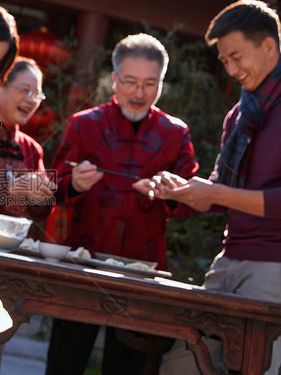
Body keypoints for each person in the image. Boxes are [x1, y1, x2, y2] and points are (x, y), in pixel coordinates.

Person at [135, 2, 281, 374]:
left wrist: (215, 193)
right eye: (225, 61)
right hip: (229, 259)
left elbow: (225, 195)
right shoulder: (240, 114)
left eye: (237, 57)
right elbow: (219, 195)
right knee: (182, 365)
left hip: (273, 267)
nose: (231, 70)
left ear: (268, 46)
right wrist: (182, 190)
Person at [45, 33, 199, 375]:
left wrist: (172, 193)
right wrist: (75, 184)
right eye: (130, 82)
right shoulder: (84, 124)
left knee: (130, 367)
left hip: (143, 270)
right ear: (114, 79)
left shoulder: (176, 133)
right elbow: (52, 186)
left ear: (161, 84)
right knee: (64, 363)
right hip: (82, 264)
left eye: (150, 83)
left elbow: (191, 201)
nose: (139, 93)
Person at [0, 56, 56, 221]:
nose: (31, 99)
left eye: (37, 94)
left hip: (15, 241)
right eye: (24, 90)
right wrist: (9, 187)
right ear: (0, 86)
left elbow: (40, 213)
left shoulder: (32, 148)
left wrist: (42, 196)